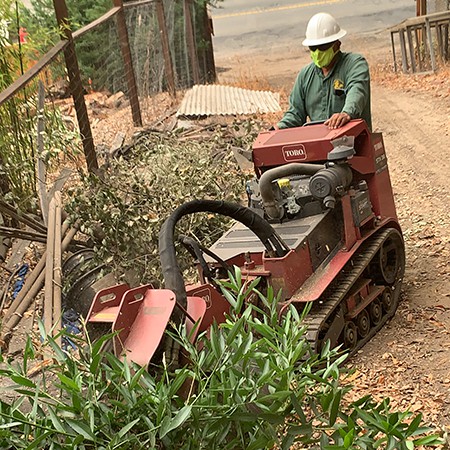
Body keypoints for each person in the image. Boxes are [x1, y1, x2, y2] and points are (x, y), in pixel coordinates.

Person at [277, 12, 371, 131]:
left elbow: (357, 91)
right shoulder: (305, 76)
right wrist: (279, 127)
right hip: (320, 144)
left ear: (337, 45)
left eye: (323, 47)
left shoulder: (355, 64)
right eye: (313, 48)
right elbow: (295, 113)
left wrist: (346, 114)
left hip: (353, 141)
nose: (318, 52)